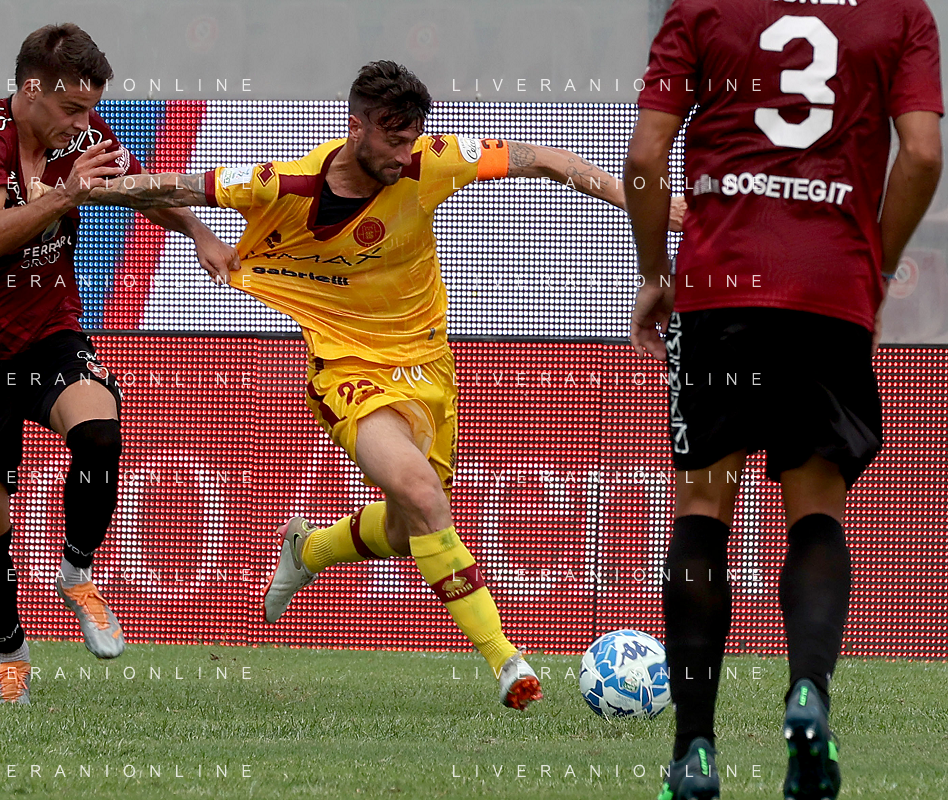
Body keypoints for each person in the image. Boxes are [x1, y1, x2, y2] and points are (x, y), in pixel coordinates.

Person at [42, 60, 684, 709]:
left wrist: (650, 205)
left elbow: (545, 159)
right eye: (394, 139)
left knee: (409, 531)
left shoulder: (433, 162)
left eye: (412, 139)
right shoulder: (282, 183)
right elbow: (170, 186)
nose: (405, 154)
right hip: (347, 372)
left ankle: (312, 548)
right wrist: (75, 193)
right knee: (423, 496)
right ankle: (506, 662)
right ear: (357, 128)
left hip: (429, 371)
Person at [624, 1, 942, 797]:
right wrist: (872, 269)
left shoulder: (699, 7)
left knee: (702, 507)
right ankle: (806, 695)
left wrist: (655, 274)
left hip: (718, 286)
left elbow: (646, 152)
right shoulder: (900, 13)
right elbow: (922, 153)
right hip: (828, 288)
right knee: (816, 508)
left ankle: (693, 754)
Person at [0, 23, 238, 705]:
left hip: (48, 333)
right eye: (71, 108)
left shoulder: (82, 137)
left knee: (99, 430)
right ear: (31, 90)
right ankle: (12, 658)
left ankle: (76, 573)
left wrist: (200, 231)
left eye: (91, 109)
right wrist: (65, 196)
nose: (84, 124)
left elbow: (140, 188)